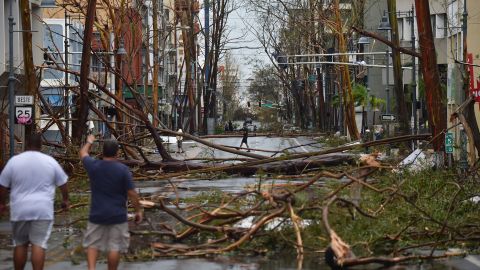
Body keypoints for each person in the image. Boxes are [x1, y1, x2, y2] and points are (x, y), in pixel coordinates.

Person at [0, 132, 69, 270]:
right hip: (42, 210)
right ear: (41, 145)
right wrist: (65, 200)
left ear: (26, 145)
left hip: (20, 209)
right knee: (39, 244)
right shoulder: (50, 162)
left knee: (20, 244)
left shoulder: (14, 161)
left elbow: (3, 185)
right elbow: (63, 183)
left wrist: (1, 203)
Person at [79, 134, 143, 270]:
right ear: (117, 153)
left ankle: (91, 268)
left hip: (96, 214)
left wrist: (89, 141)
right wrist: (138, 211)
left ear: (102, 152)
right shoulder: (123, 170)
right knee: (114, 246)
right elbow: (132, 194)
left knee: (93, 244)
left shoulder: (93, 166)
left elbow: (83, 153)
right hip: (117, 215)